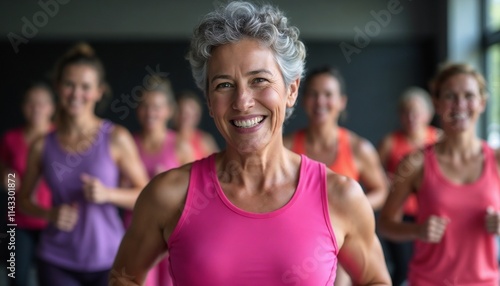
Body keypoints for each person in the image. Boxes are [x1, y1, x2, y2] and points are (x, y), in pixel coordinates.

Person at [111, 2, 390, 286]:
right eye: (224, 85)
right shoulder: (168, 195)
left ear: (291, 90)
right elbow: (123, 278)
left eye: (259, 80)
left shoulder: (340, 197)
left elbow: (375, 280)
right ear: (208, 100)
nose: (242, 101)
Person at [18, 43, 148, 286]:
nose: (76, 93)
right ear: (58, 87)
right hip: (56, 261)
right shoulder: (41, 146)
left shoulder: (116, 137)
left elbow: (146, 194)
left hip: (110, 259)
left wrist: (108, 193)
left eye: (85, 87)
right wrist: (49, 213)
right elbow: (21, 201)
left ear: (99, 91)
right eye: (69, 84)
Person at [378, 63, 500, 285]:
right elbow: (385, 224)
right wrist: (417, 230)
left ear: (482, 103)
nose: (460, 104)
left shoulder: (497, 160)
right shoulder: (415, 163)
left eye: (469, 96)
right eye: (450, 96)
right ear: (436, 103)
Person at [283, 66, 388, 286]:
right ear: (302, 100)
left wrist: (350, 208)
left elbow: (382, 189)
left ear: (342, 101)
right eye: (313, 94)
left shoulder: (359, 148)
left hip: (343, 242)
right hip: (297, 244)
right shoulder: (287, 146)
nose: (320, 101)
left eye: (328, 94)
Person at [377, 87, 440, 285]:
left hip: (431, 214)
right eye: (406, 112)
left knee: (431, 266)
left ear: (428, 115)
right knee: (403, 267)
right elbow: (375, 176)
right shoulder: (390, 142)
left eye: (417, 112)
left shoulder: (439, 139)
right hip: (398, 215)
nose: (411, 117)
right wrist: (385, 181)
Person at [123, 75, 182, 286]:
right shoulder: (128, 143)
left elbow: (196, 193)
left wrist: (168, 184)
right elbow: (120, 189)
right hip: (137, 232)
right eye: (145, 106)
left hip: (172, 236)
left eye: (156, 107)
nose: (150, 113)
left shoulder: (179, 144)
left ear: (168, 110)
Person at [0, 82, 55, 286]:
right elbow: (4, 169)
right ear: (24, 107)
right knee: (16, 277)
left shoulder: (60, 138)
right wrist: (6, 177)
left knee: (51, 279)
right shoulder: (10, 139)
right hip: (17, 221)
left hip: (52, 221)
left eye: (42, 103)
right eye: (31, 103)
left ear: (52, 108)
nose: (36, 108)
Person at [173, 90, 219, 164]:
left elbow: (218, 167)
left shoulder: (205, 140)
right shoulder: (164, 139)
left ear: (198, 116)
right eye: (181, 112)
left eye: (190, 114)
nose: (185, 117)